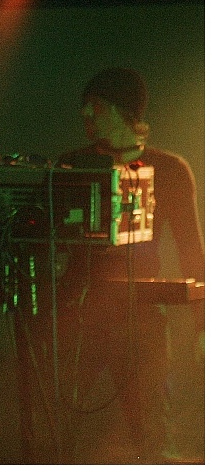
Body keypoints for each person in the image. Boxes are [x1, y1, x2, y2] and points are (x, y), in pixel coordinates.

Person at [55, 67, 205, 463]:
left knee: (151, 429)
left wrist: (203, 325)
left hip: (141, 316)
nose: (86, 115)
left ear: (124, 112)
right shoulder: (71, 165)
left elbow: (193, 252)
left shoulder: (170, 170)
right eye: (84, 107)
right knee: (56, 420)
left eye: (96, 107)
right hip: (79, 313)